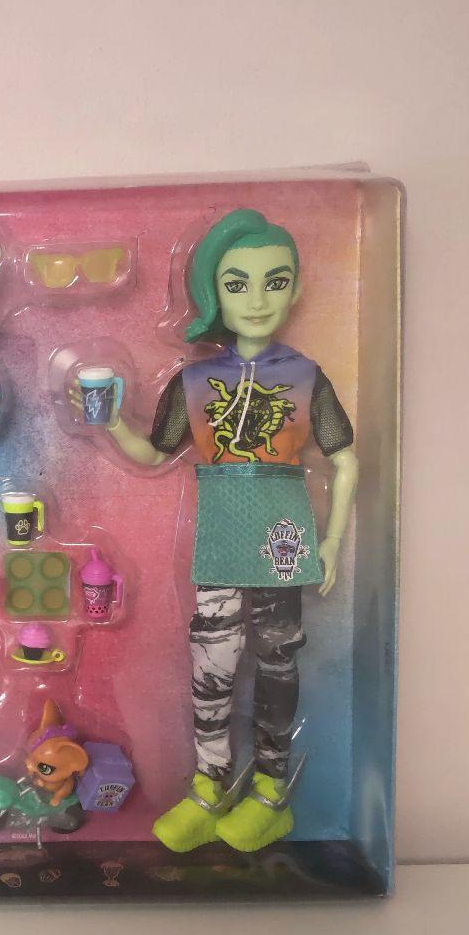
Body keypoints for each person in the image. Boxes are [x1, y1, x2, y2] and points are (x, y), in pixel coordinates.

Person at [84, 209, 358, 852]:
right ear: (213, 293)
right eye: (238, 284)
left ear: (295, 289)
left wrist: (331, 542)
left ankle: (270, 793)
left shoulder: (305, 376)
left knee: (277, 662)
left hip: (284, 534)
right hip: (220, 532)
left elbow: (345, 460)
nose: (258, 299)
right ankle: (209, 786)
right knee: (212, 664)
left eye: (275, 281)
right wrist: (111, 421)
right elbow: (155, 452)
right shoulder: (195, 381)